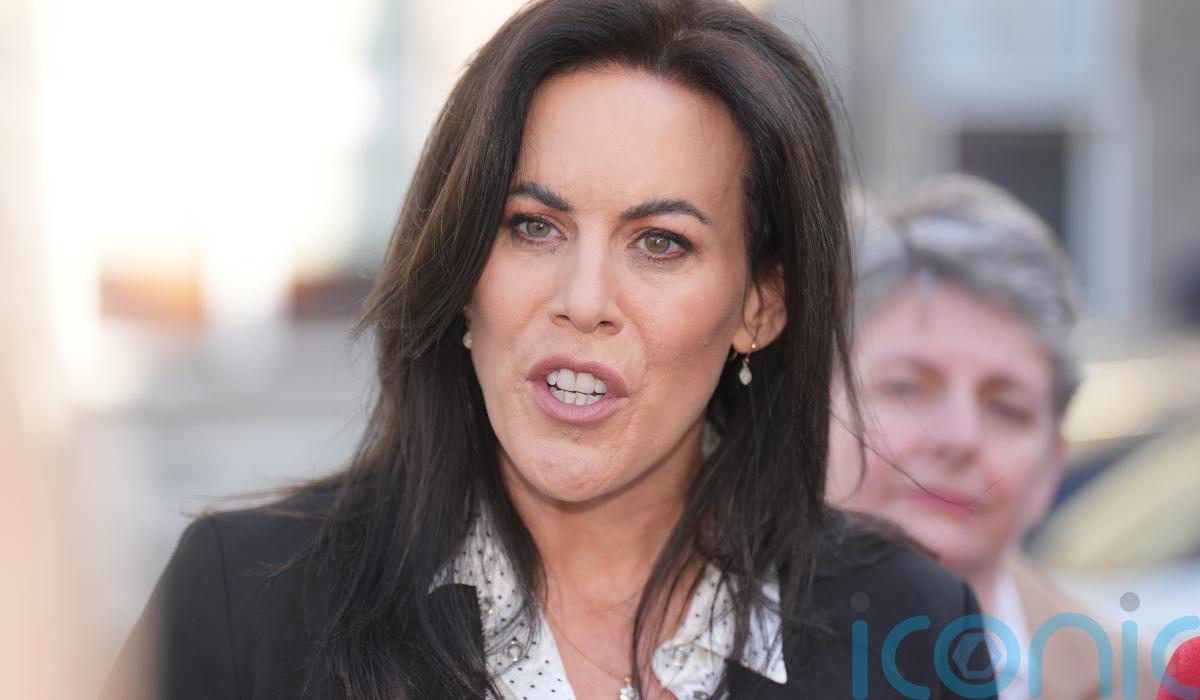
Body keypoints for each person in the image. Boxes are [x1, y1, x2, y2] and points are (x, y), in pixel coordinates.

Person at [106, 2, 996, 699]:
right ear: (461, 266)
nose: (583, 300)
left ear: (761, 306)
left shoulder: (909, 629)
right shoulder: (245, 601)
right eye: (533, 226)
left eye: (660, 243)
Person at [828, 175, 1158, 699]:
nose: (959, 438)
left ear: (1051, 467)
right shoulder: (700, 645)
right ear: (809, 408)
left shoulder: (1138, 684)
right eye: (907, 387)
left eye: (1007, 408)